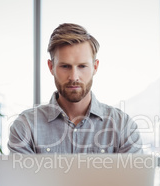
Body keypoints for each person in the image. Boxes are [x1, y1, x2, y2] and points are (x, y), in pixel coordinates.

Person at [8, 23, 142, 154]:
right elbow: (20, 177)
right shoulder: (26, 127)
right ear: (51, 67)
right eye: (65, 66)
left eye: (82, 66)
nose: (74, 77)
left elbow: (136, 177)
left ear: (95, 67)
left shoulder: (123, 126)